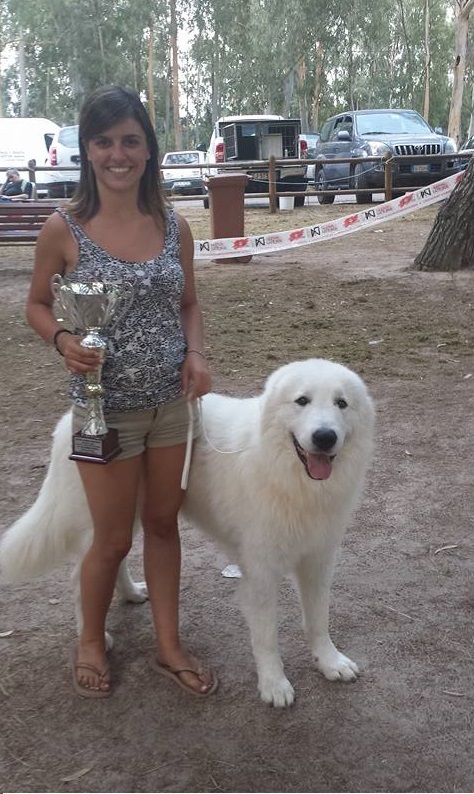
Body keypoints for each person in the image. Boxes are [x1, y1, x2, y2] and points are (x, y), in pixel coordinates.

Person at [26, 85, 217, 698]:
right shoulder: (63, 229)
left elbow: (189, 305)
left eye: (130, 141)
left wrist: (196, 353)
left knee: (162, 524)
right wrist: (62, 339)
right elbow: (36, 305)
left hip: (171, 406)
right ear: (87, 150)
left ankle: (168, 645)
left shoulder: (174, 226)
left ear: (148, 149)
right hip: (100, 409)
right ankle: (90, 638)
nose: (118, 154)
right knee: (111, 540)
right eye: (104, 141)